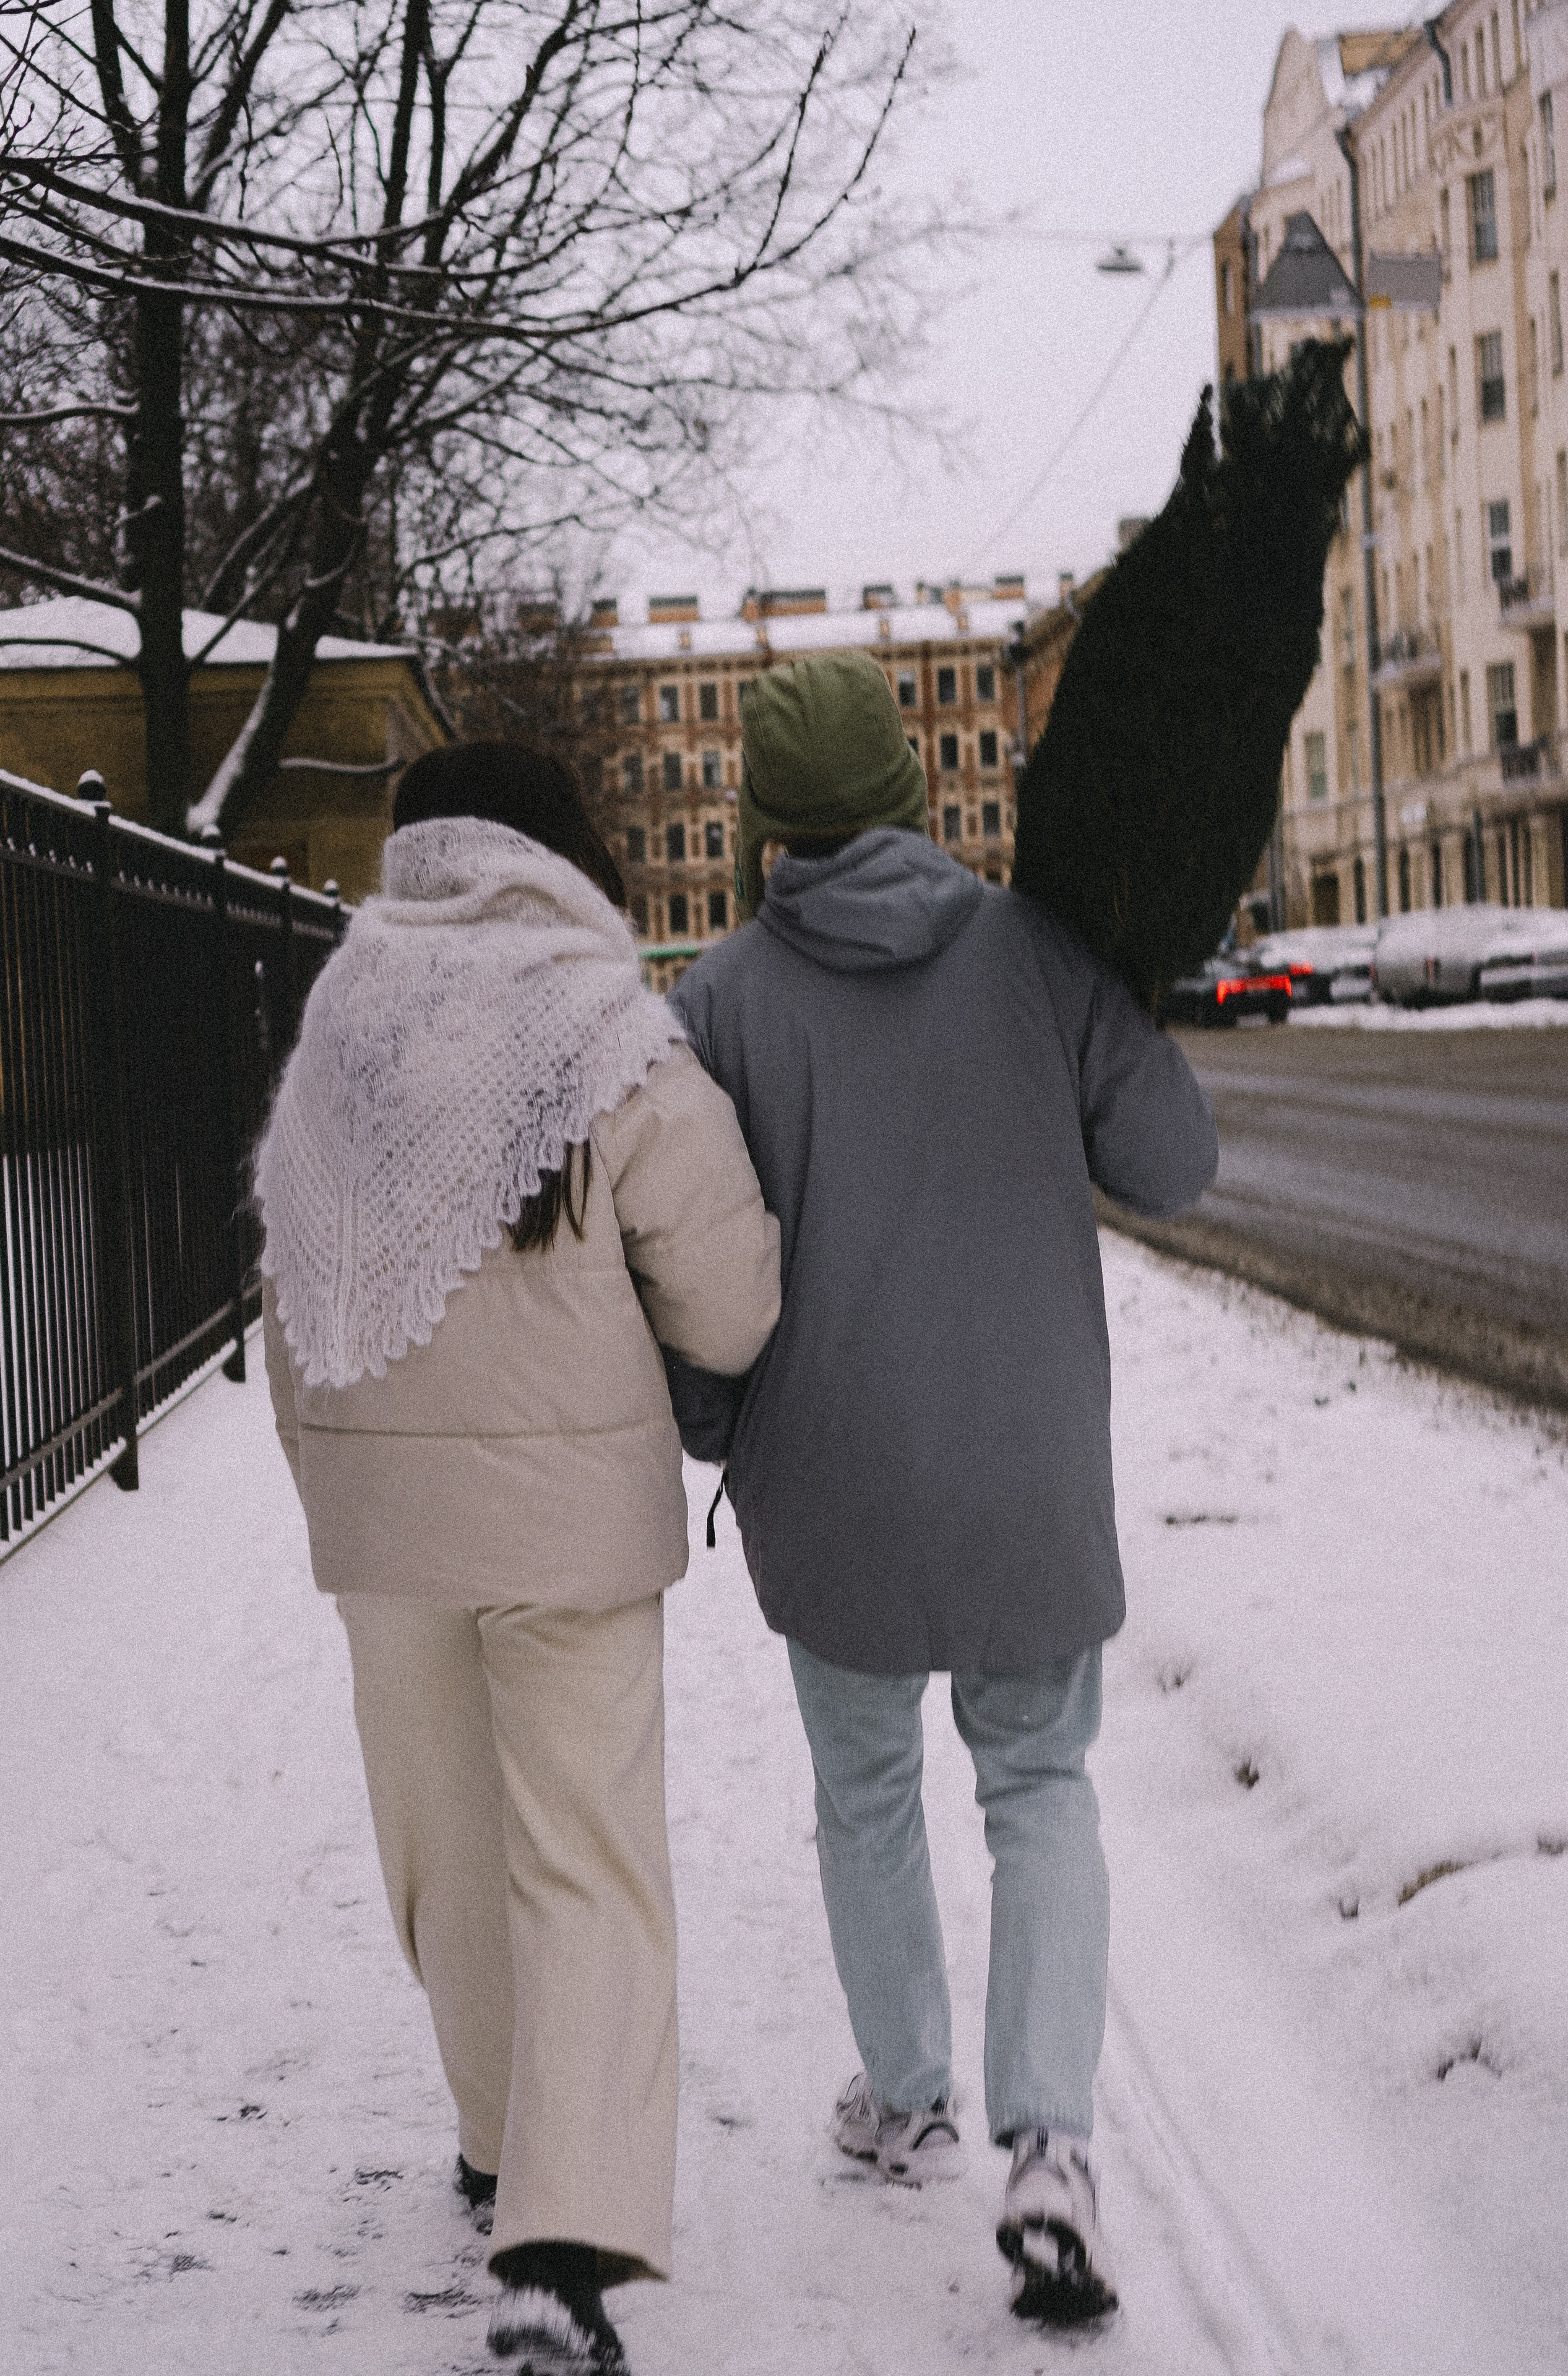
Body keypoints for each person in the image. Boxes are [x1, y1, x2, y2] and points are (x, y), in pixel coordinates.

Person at [665, 650, 1218, 2328]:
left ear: (764, 820)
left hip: (828, 1480)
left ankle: (903, 2089)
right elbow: (1177, 1165)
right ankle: (1050, 2148)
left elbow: (696, 1267)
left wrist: (712, 1426)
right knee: (1041, 1787)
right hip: (1026, 1472)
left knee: (868, 1789)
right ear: (912, 789)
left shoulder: (720, 1000)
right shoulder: (1040, 953)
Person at [257, 741, 781, 2375]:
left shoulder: (342, 1027)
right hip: (570, 1533)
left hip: (384, 1528)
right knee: (586, 1859)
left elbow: (290, 1279)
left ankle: (494, 2141)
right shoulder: (610, 1028)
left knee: (446, 1846)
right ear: (556, 856)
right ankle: (562, 2237)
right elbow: (730, 1298)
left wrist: (334, 1481)